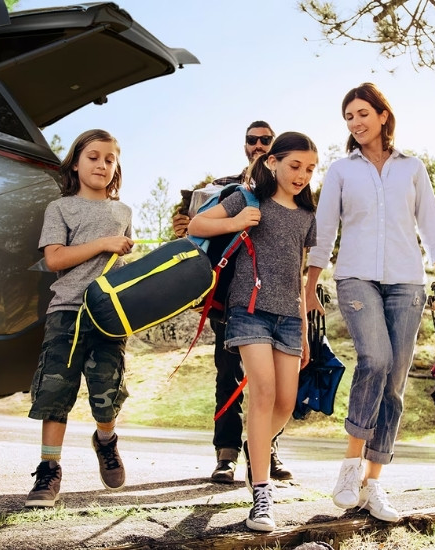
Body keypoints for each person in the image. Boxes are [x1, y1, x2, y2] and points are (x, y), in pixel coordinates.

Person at [304, 82, 435, 523]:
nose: (355, 122)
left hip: (408, 283)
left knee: (395, 382)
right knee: (376, 360)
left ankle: (373, 485)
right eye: (349, 117)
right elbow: (324, 229)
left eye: (362, 113)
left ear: (383, 115)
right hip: (355, 279)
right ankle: (350, 467)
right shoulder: (341, 171)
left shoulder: (412, 168)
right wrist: (310, 284)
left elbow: (431, 226)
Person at [187, 131, 318, 532]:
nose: (301, 175)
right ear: (273, 162)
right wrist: (236, 221)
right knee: (263, 391)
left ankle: (254, 445)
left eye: (310, 169)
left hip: (289, 318)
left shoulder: (306, 216)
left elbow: (297, 275)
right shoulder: (248, 198)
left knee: (285, 403)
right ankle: (261, 493)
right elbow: (196, 223)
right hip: (248, 312)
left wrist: (305, 331)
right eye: (294, 165)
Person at [171, 120, 294, 485]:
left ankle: (266, 451)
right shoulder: (223, 188)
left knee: (269, 382)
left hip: (272, 298)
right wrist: (185, 228)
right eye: (252, 139)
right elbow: (196, 233)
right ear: (245, 146)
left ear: (275, 148)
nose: (258, 144)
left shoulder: (287, 189)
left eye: (265, 139)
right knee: (229, 374)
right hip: (227, 296)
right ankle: (226, 453)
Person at [25, 129, 135, 508]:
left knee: (108, 393)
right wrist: (103, 243)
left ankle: (106, 440)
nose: (102, 165)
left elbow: (123, 266)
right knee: (55, 392)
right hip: (67, 312)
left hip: (109, 316)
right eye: (93, 157)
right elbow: (54, 258)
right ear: (75, 163)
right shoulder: (60, 209)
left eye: (109, 159)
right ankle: (48, 469)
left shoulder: (123, 212)